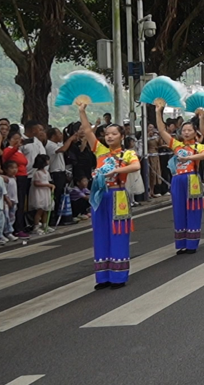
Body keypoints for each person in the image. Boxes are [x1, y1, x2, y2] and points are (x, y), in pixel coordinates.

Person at [78, 103, 141, 289]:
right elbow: (87, 131)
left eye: (114, 134)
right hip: (99, 195)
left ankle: (118, 276)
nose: (110, 136)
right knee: (100, 234)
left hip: (117, 195)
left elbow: (136, 166)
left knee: (118, 234)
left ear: (122, 136)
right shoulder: (100, 151)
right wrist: (82, 111)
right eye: (107, 134)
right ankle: (103, 276)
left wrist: (116, 170)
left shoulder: (127, 154)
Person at [155, 106, 204, 254]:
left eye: (189, 130)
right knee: (178, 210)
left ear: (195, 132)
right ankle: (181, 242)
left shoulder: (199, 146)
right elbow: (162, 131)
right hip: (177, 180)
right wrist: (158, 112)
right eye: (184, 130)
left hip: (192, 179)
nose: (186, 132)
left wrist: (189, 157)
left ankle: (192, 243)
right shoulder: (177, 145)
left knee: (193, 209)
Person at [28, 154, 55, 236]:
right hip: (40, 193)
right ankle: (36, 226)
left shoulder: (46, 172)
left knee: (46, 209)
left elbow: (47, 180)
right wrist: (48, 185)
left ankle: (45, 224)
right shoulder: (37, 173)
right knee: (40, 210)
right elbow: (36, 183)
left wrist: (50, 186)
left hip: (45, 192)